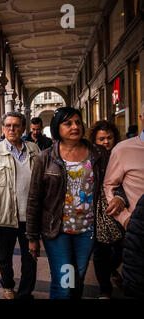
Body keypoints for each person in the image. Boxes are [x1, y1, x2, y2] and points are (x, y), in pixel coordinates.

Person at [27, 106, 109, 299]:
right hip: (57, 231)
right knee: (63, 282)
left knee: (77, 278)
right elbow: (34, 198)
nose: (75, 127)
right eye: (68, 123)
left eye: (78, 122)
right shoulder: (45, 158)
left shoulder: (97, 154)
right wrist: (32, 236)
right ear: (57, 128)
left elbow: (111, 184)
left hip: (87, 230)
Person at [0, 111, 40, 300]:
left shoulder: (34, 150)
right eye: (8, 126)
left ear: (23, 128)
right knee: (4, 257)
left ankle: (25, 292)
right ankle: (7, 286)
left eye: (16, 125)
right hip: (3, 216)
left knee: (30, 258)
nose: (12, 129)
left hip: (30, 217)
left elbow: (42, 184)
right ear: (3, 129)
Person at [104, 103, 144, 298]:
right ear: (141, 117)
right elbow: (109, 185)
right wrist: (126, 219)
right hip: (139, 232)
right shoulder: (123, 149)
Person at [88, 120, 125, 298]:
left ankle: (110, 269)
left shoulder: (122, 154)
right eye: (101, 138)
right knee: (101, 248)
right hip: (98, 208)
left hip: (121, 206)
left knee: (122, 247)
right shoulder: (90, 157)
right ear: (94, 140)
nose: (106, 142)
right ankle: (105, 289)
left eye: (109, 138)